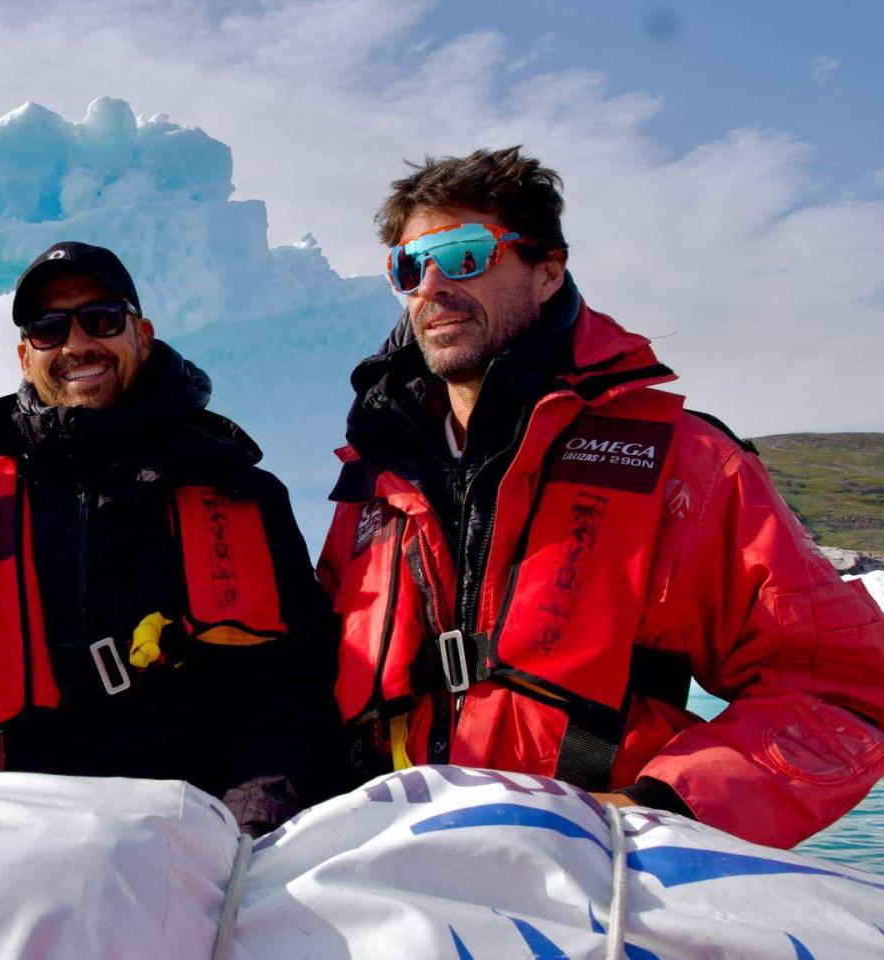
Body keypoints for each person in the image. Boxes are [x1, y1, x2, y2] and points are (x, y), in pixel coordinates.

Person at [319, 146, 884, 848]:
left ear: (548, 270)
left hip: (599, 894)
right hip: (398, 877)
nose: (431, 285)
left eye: (465, 255)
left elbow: (839, 687)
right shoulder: (377, 483)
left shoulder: (685, 466)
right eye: (409, 267)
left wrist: (661, 811)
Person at [0, 242, 351, 834]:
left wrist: (253, 831)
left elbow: (289, 694)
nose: (77, 344)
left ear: (143, 334)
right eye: (49, 329)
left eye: (103, 320)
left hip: (185, 848)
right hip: (0, 837)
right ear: (23, 355)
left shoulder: (240, 494)